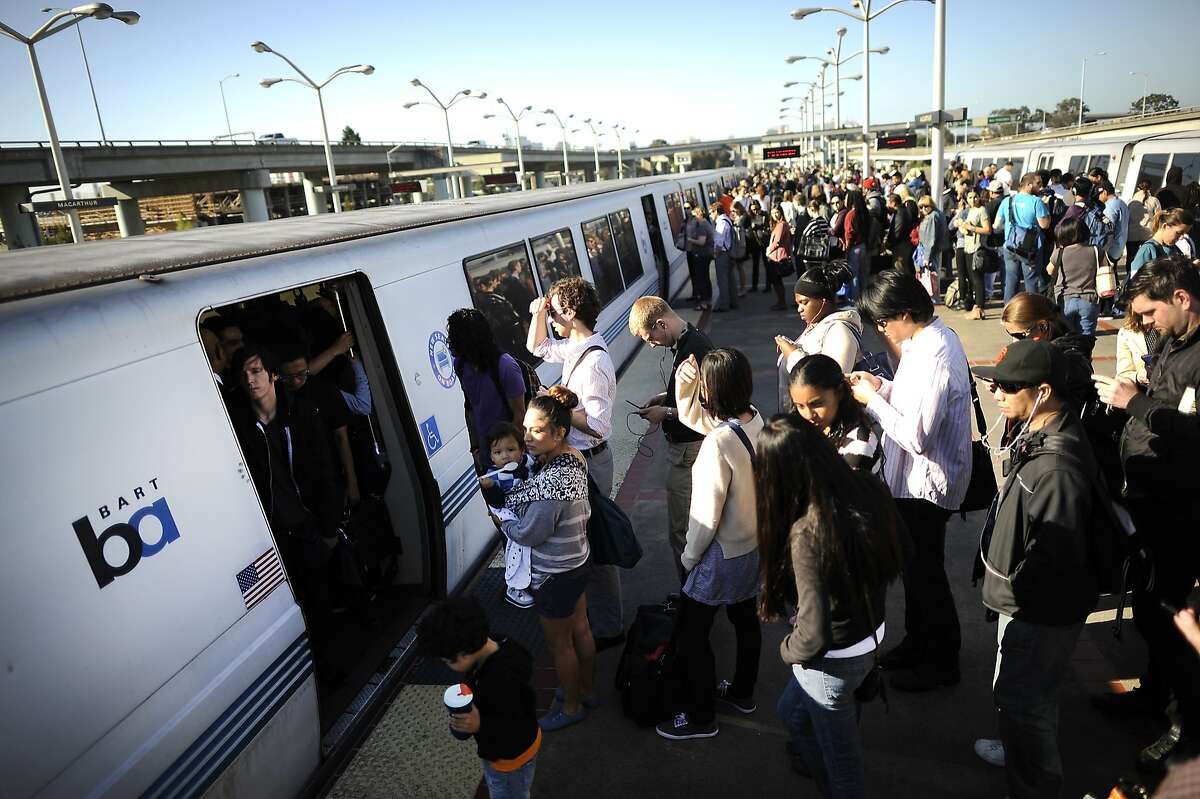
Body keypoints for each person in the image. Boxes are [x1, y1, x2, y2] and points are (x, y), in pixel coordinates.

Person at [970, 339, 1101, 799]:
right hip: (1028, 608)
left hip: (1037, 615)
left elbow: (1054, 560)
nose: (997, 393)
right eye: (994, 383)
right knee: (1025, 702)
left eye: (1007, 386)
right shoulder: (1043, 432)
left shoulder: (1056, 468)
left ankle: (1035, 788)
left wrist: (1015, 596)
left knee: (1026, 708)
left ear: (1042, 391)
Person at [757, 416, 903, 798]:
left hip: (830, 661)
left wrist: (787, 648)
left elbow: (813, 631)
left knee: (843, 768)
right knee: (793, 714)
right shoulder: (866, 488)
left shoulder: (807, 530)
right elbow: (900, 552)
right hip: (869, 635)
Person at [1093, 256, 1200, 770]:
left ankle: (1189, 728)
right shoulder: (1174, 342)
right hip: (1152, 499)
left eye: (1150, 312)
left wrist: (1135, 405)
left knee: (1167, 616)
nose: (1145, 324)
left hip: (1182, 509)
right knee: (1151, 609)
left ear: (1181, 298)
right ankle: (1155, 697)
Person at [849, 270, 973, 692]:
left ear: (905, 313)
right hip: (910, 483)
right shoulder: (925, 342)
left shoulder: (935, 353)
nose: (881, 330)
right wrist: (880, 386)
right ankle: (918, 643)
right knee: (915, 572)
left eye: (883, 322)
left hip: (926, 487)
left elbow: (917, 436)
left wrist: (871, 403)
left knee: (927, 577)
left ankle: (941, 662)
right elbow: (911, 401)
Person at [655, 348, 763, 740]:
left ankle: (701, 717)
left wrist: (689, 556)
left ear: (711, 390)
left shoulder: (717, 443)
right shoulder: (754, 420)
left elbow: (705, 514)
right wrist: (685, 388)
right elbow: (702, 421)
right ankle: (742, 692)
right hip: (752, 546)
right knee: (744, 618)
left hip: (721, 553)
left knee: (693, 634)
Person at [228, 343, 340, 672]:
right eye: (244, 374)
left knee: (319, 600)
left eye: (256, 371)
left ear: (273, 374)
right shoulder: (241, 426)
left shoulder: (300, 414)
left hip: (306, 525)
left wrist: (330, 527)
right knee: (288, 606)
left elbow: (325, 471)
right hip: (272, 534)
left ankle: (329, 667)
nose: (250, 380)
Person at [526, 279, 623, 650]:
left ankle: (610, 629)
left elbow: (598, 426)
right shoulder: (575, 347)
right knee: (584, 543)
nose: (550, 318)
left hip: (591, 464)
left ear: (568, 313)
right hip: (578, 463)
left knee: (596, 548)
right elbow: (537, 346)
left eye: (552, 312)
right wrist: (537, 314)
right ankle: (597, 622)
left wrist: (562, 404)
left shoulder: (594, 360)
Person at [492, 386, 595, 732]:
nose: (527, 438)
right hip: (578, 561)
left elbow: (530, 533)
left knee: (559, 644)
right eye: (525, 429)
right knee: (581, 629)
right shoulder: (573, 457)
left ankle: (570, 705)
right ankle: (587, 689)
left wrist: (504, 523)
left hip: (554, 573)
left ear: (559, 432)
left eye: (537, 431)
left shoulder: (551, 482)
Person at [416, 598, 541, 798]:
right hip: (514, 747)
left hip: (510, 758)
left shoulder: (500, 680)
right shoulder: (501, 643)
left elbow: (513, 723)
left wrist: (480, 724)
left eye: (448, 661)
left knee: (508, 793)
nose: (447, 665)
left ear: (464, 655)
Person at [627, 297, 714, 582]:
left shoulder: (696, 350)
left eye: (649, 336)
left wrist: (664, 412)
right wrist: (666, 396)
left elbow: (707, 407)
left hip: (690, 451)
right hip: (688, 449)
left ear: (661, 323)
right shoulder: (690, 342)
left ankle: (693, 592)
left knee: (682, 530)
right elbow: (691, 392)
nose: (650, 343)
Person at [448, 308, 528, 470]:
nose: (450, 342)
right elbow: (470, 406)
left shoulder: (505, 366)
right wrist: (475, 448)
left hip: (509, 457)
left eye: (454, 337)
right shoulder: (461, 365)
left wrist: (510, 456)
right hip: (485, 456)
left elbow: (519, 414)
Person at [787, 353, 882, 474]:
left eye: (816, 404)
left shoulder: (859, 443)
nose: (809, 415)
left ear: (839, 393)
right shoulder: (798, 433)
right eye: (800, 406)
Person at [478, 422, 537, 608]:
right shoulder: (493, 476)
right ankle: (513, 588)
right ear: (491, 456)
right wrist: (490, 489)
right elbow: (497, 503)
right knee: (514, 553)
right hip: (509, 520)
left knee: (530, 553)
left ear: (521, 450)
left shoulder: (527, 463)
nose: (505, 456)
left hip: (528, 517)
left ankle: (529, 581)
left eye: (510, 449)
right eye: (498, 452)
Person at [996, 173, 1052, 301]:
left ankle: (1008, 314)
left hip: (1009, 246)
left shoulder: (1007, 200)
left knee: (1010, 281)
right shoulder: (1036, 202)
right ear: (1028, 185)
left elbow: (996, 225)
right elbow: (1044, 225)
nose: (1041, 187)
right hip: (1030, 248)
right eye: (1038, 184)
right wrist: (1046, 206)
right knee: (1031, 282)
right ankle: (1032, 314)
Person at [1047, 216, 1105, 337]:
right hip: (1089, 300)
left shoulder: (1059, 253)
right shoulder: (1096, 250)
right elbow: (1105, 269)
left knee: (1064, 338)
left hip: (1064, 299)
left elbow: (1049, 270)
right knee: (1086, 339)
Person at [958, 188, 993, 319]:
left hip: (978, 248)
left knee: (977, 278)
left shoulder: (982, 210)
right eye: (970, 197)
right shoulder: (970, 211)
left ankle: (979, 308)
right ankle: (976, 307)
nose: (973, 200)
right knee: (972, 278)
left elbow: (987, 230)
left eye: (975, 197)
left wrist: (970, 227)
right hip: (968, 247)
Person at [1129, 208, 1194, 277]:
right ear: (1165, 226)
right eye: (1179, 233)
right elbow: (1136, 282)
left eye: (1184, 234)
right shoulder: (1148, 250)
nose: (1181, 237)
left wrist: (1190, 266)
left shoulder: (1174, 248)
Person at [1115, 301, 1158, 386]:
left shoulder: (1174, 328)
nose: (1147, 321)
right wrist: (1140, 376)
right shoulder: (1126, 333)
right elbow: (1123, 374)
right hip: (1145, 390)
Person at [843, 189, 872, 300]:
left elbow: (849, 233)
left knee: (854, 275)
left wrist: (847, 249)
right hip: (864, 246)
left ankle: (855, 300)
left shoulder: (851, 214)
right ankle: (865, 299)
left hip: (854, 247)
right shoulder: (865, 213)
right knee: (864, 275)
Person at [685, 205, 715, 310]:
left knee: (701, 278)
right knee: (705, 278)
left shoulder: (702, 225)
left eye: (694, 215)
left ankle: (704, 302)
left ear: (698, 214)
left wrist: (690, 240)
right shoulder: (706, 223)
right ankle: (708, 300)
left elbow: (702, 242)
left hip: (702, 255)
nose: (693, 218)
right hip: (705, 254)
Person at [711, 202, 738, 312]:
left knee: (722, 280)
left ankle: (724, 304)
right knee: (731, 279)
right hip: (730, 253)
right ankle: (733, 302)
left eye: (711, 212)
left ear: (716, 211)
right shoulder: (727, 220)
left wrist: (715, 254)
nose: (711, 215)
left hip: (723, 255)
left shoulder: (721, 223)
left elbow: (719, 242)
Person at [765, 205, 794, 311]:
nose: (775, 215)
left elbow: (777, 241)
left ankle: (782, 302)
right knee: (777, 281)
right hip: (776, 256)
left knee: (777, 281)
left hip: (777, 257)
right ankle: (781, 301)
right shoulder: (778, 224)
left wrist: (769, 250)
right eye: (772, 213)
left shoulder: (781, 225)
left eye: (777, 212)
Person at [1127, 180, 1162, 266]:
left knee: (1130, 258)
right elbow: (1159, 217)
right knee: (1146, 259)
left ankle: (1130, 276)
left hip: (1131, 234)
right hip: (1148, 234)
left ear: (1138, 188)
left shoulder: (1131, 201)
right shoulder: (1154, 200)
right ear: (1150, 188)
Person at [1099, 180, 1129, 268]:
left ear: (1104, 192)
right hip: (1119, 246)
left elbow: (1107, 228)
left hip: (1110, 249)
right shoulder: (1122, 203)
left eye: (1099, 194)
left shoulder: (1110, 206)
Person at [886, 192, 916, 277]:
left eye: (889, 202)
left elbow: (897, 232)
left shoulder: (899, 214)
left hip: (901, 246)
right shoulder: (900, 211)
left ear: (893, 203)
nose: (887, 205)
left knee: (900, 270)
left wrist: (888, 243)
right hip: (903, 244)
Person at [748, 199, 769, 292]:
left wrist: (759, 226)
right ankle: (754, 286)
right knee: (755, 265)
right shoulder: (749, 217)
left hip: (764, 241)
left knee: (767, 264)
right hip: (754, 242)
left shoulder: (764, 215)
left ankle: (768, 285)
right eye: (753, 209)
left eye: (756, 209)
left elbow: (768, 226)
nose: (755, 211)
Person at [732, 202, 751, 298]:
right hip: (741, 245)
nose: (733, 212)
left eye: (734, 210)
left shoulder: (742, 218)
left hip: (742, 245)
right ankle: (742, 287)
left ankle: (742, 288)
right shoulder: (741, 217)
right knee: (739, 268)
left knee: (740, 267)